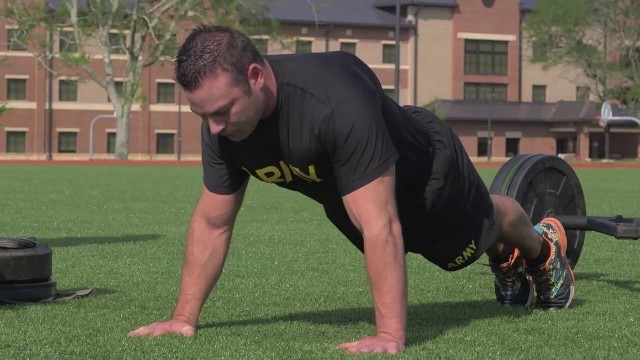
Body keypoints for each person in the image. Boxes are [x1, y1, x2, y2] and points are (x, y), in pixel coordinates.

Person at [129, 24, 575, 354]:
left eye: (222, 111)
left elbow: (381, 224)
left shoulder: (333, 100)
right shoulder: (222, 129)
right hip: (354, 193)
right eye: (202, 115)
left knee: (480, 229)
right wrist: (183, 319)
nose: (214, 128)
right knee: (450, 244)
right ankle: (507, 258)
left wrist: (389, 335)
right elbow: (212, 222)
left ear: (255, 76)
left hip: (426, 173)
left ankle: (541, 249)